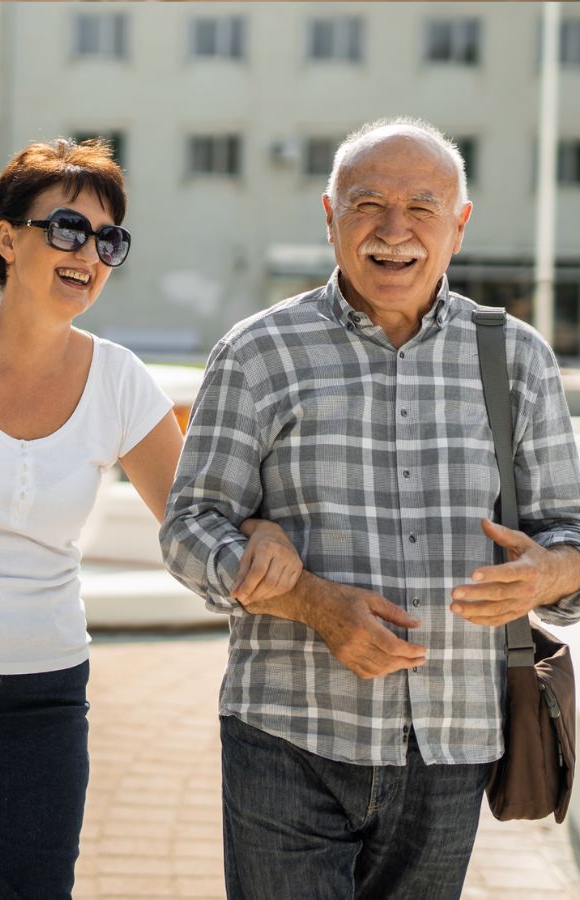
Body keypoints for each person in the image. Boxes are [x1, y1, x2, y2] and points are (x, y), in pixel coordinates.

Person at [0, 138, 302, 898]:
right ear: (8, 238)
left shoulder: (119, 381)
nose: (89, 253)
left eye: (108, 239)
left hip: (41, 703)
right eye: (67, 228)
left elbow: (199, 521)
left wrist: (261, 530)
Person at [160, 117, 580, 900]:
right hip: (286, 733)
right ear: (329, 216)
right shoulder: (259, 352)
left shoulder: (516, 358)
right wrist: (311, 601)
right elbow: (188, 526)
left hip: (453, 741)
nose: (394, 232)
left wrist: (548, 572)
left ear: (459, 223)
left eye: (422, 207)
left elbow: (570, 534)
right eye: (367, 206)